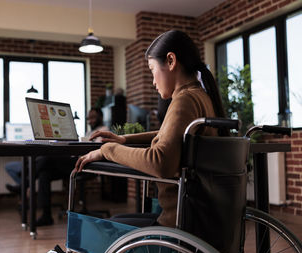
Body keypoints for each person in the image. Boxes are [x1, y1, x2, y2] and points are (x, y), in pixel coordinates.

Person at [74, 30, 227, 228]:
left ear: (171, 61)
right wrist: (125, 140)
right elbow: (176, 135)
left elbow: (160, 163)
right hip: (196, 215)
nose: (153, 81)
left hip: (179, 221)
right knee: (116, 221)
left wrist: (107, 150)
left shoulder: (185, 100)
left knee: (107, 229)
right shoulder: (200, 96)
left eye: (152, 69)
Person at [5, 107, 108, 226]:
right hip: (76, 162)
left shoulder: (103, 130)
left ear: (101, 117)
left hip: (87, 165)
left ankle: (24, 183)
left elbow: (97, 150)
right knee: (44, 174)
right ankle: (46, 216)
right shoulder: (89, 132)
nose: (90, 121)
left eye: (93, 117)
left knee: (48, 158)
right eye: (89, 118)